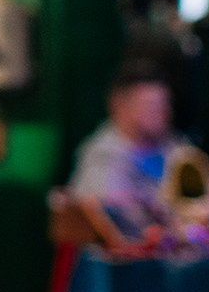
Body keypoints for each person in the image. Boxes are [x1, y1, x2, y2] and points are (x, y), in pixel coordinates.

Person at [70, 65, 185, 236]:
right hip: (125, 251)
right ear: (120, 106)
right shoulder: (104, 156)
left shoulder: (173, 145)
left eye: (164, 104)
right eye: (151, 106)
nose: (162, 113)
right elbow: (119, 220)